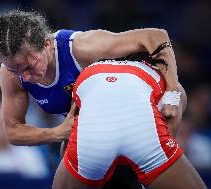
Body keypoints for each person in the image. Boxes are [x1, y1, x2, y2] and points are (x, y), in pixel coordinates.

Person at [0, 10, 186, 188]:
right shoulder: (11, 74)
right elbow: (13, 130)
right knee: (66, 151)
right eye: (14, 69)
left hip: (141, 104)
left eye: (29, 66)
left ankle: (151, 172)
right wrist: (56, 132)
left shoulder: (81, 47)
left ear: (46, 44)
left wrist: (172, 92)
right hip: (96, 127)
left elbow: (154, 36)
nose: (24, 77)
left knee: (170, 109)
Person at [52, 59, 207, 189]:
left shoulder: (87, 75)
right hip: (143, 139)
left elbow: (71, 134)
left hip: (93, 144)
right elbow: (169, 131)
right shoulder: (169, 85)